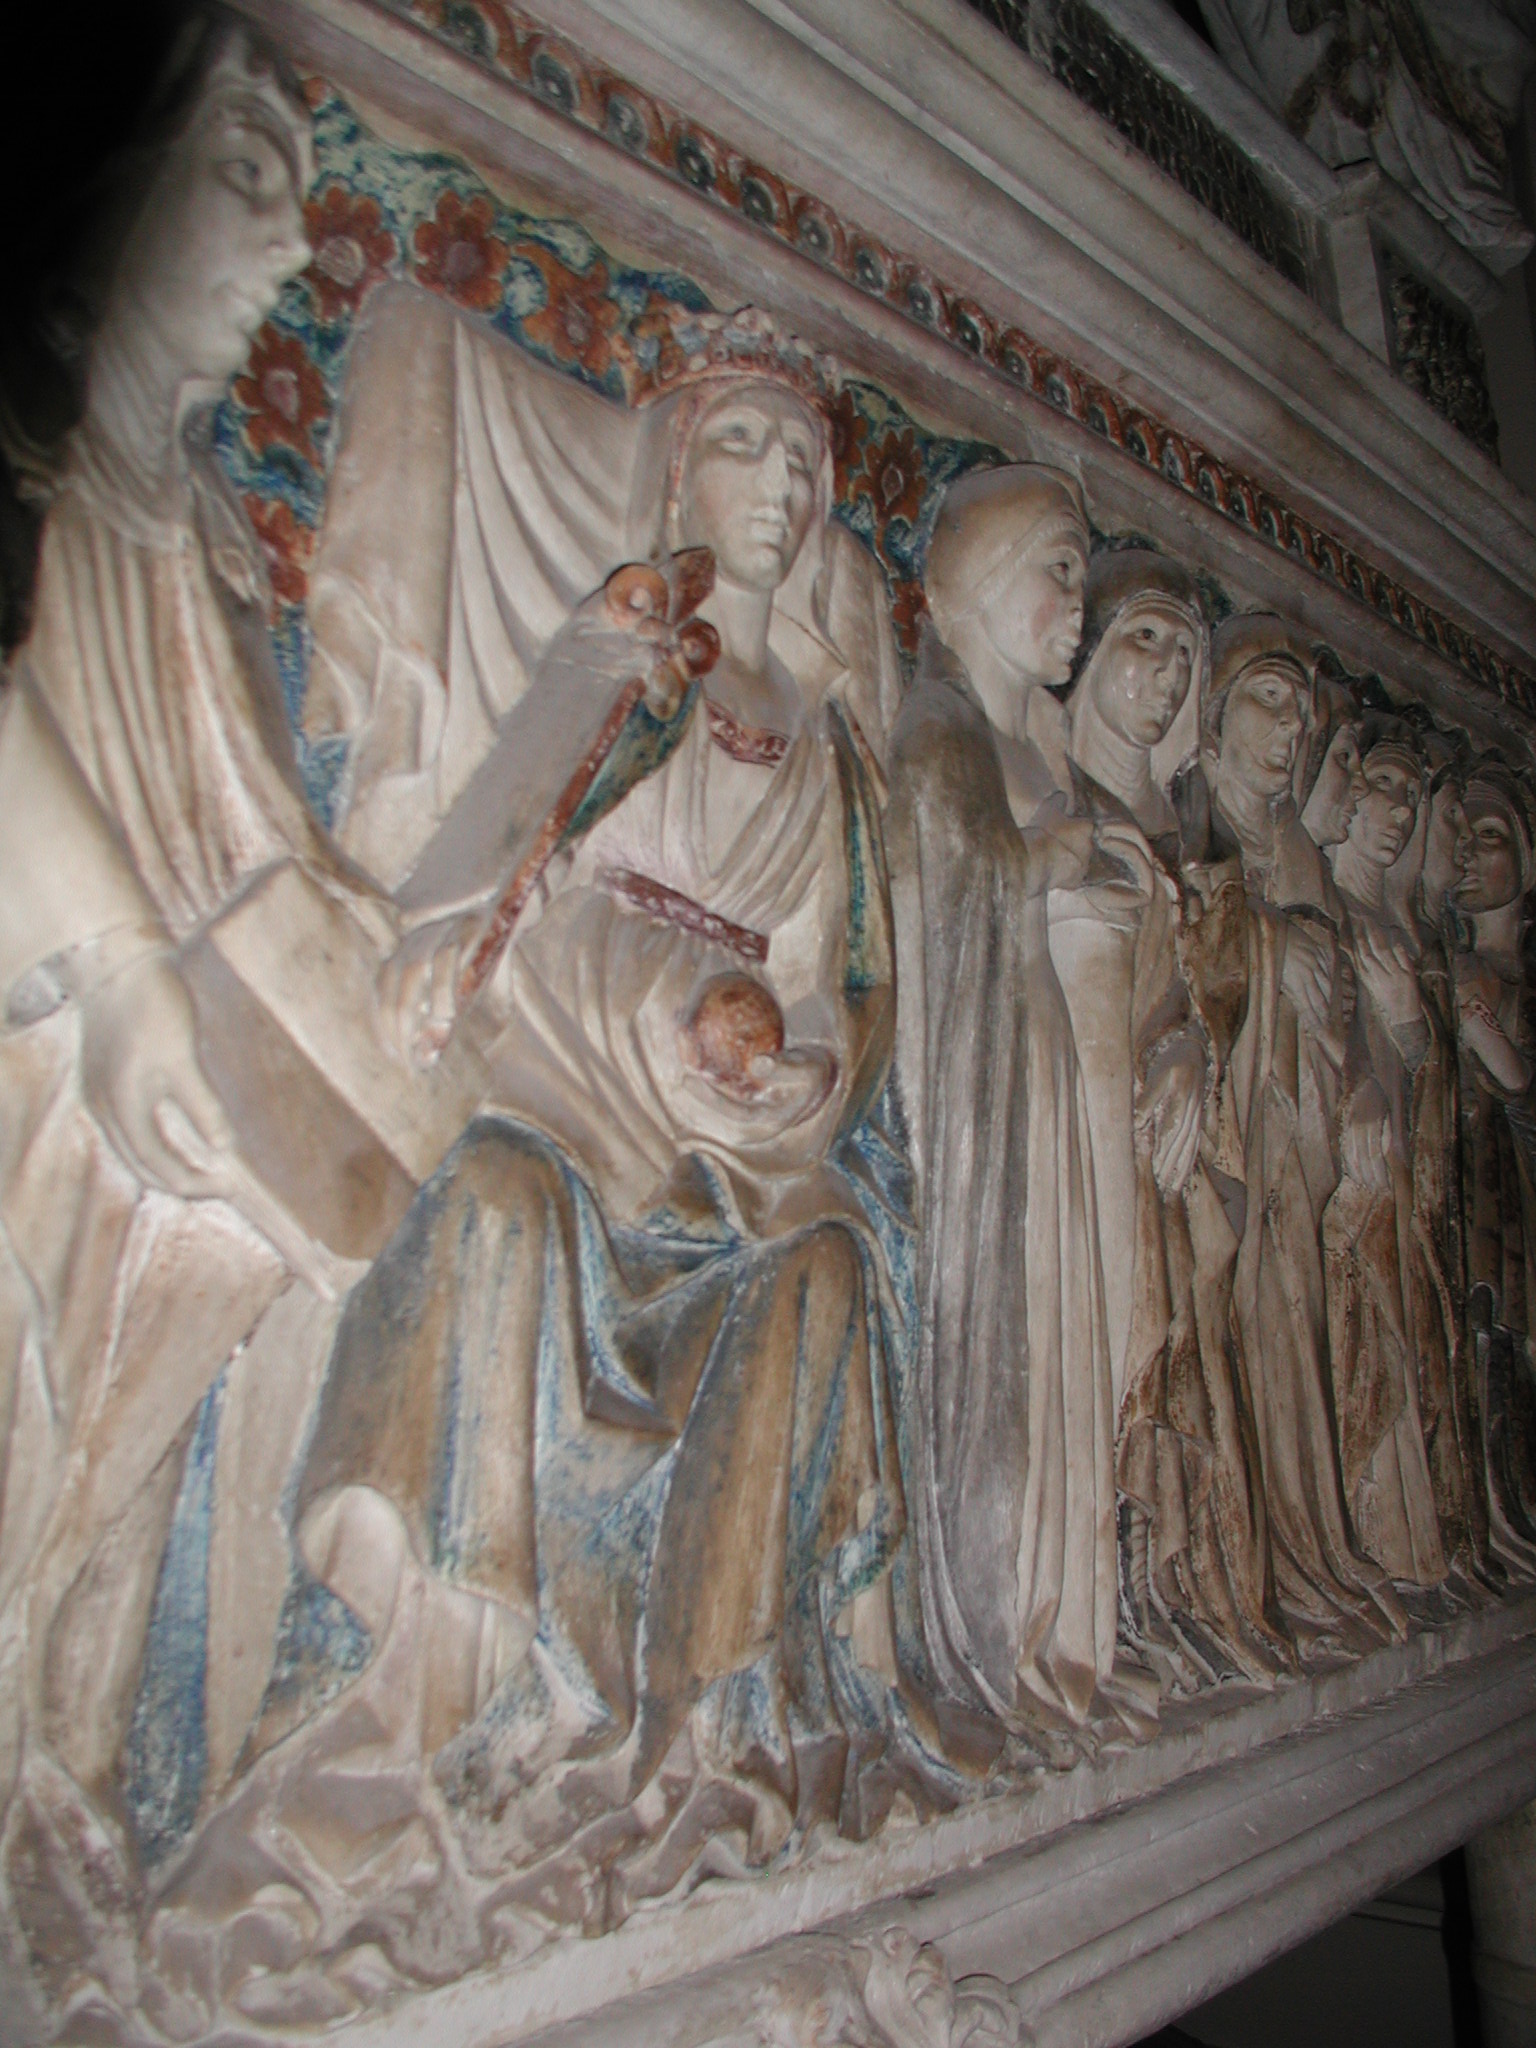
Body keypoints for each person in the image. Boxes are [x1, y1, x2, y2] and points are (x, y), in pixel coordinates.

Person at [270, 311, 924, 1914]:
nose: (781, 487)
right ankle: (442, 1693)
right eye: (742, 445)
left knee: (831, 1270)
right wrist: (656, 999)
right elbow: (521, 869)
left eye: (804, 461)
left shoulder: (828, 741)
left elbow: (838, 984)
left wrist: (792, 1067)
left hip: (735, 1155)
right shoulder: (631, 655)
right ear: (675, 468)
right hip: (575, 1078)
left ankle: (708, 1718)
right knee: (491, 1200)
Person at [0, 16, 363, 1862]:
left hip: (175, 1013)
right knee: (168, 1217)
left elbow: (253, 821)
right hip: (46, 1007)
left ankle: (84, 1771)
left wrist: (370, 929)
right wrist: (118, 972)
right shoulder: (36, 446)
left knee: (275, 1235)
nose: (293, 243)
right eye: (246, 178)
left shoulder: (201, 514)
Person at [887, 465, 1154, 1743]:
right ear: (986, 580)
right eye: (1058, 569)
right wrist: (1043, 858)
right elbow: (941, 891)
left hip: (1040, 1067)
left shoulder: (1029, 748)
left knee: (1066, 1347)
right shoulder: (942, 730)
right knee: (1017, 1344)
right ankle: (1002, 1633)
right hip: (986, 1097)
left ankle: (1065, 1632)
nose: (1075, 605)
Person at [1058, 551, 1290, 1685]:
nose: (1164, 673)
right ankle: (1092, 1601)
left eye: (1185, 656)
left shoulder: (1202, 840)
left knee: (1186, 1357)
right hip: (1086, 1135)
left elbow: (1219, 992)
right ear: (1091, 646)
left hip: (1186, 1148)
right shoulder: (1056, 797)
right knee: (1109, 1347)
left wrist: (1191, 1045)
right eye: (1143, 639)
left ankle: (1166, 1592)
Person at [1172, 616, 1406, 1655]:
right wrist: (1272, 942)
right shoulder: (1191, 816)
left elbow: (1342, 1003)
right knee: (1227, 1327)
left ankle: (1311, 1546)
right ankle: (1228, 1563)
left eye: (1302, 713)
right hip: (1222, 1144)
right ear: (1217, 713)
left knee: (1297, 1332)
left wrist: (1362, 1091)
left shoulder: (1302, 851)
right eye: (1269, 698)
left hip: (1296, 1145)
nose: (1290, 726)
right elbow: (1183, 954)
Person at [1324, 731, 1449, 1588]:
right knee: (1361, 1352)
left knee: (1405, 1352)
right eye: (1382, 783)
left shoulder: (1396, 924)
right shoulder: (1325, 904)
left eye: (1412, 794)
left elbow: (1433, 1078)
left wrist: (1408, 1021)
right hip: (1349, 1180)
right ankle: (1369, 1537)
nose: (1399, 810)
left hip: (1401, 1180)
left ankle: (1404, 1541)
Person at [1452, 762, 1536, 1573]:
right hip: (1464, 1189)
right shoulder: (1448, 964)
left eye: (1492, 837)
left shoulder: (1517, 983)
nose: (1472, 855)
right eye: (1463, 837)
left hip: (1515, 1197)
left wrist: (1494, 1046)